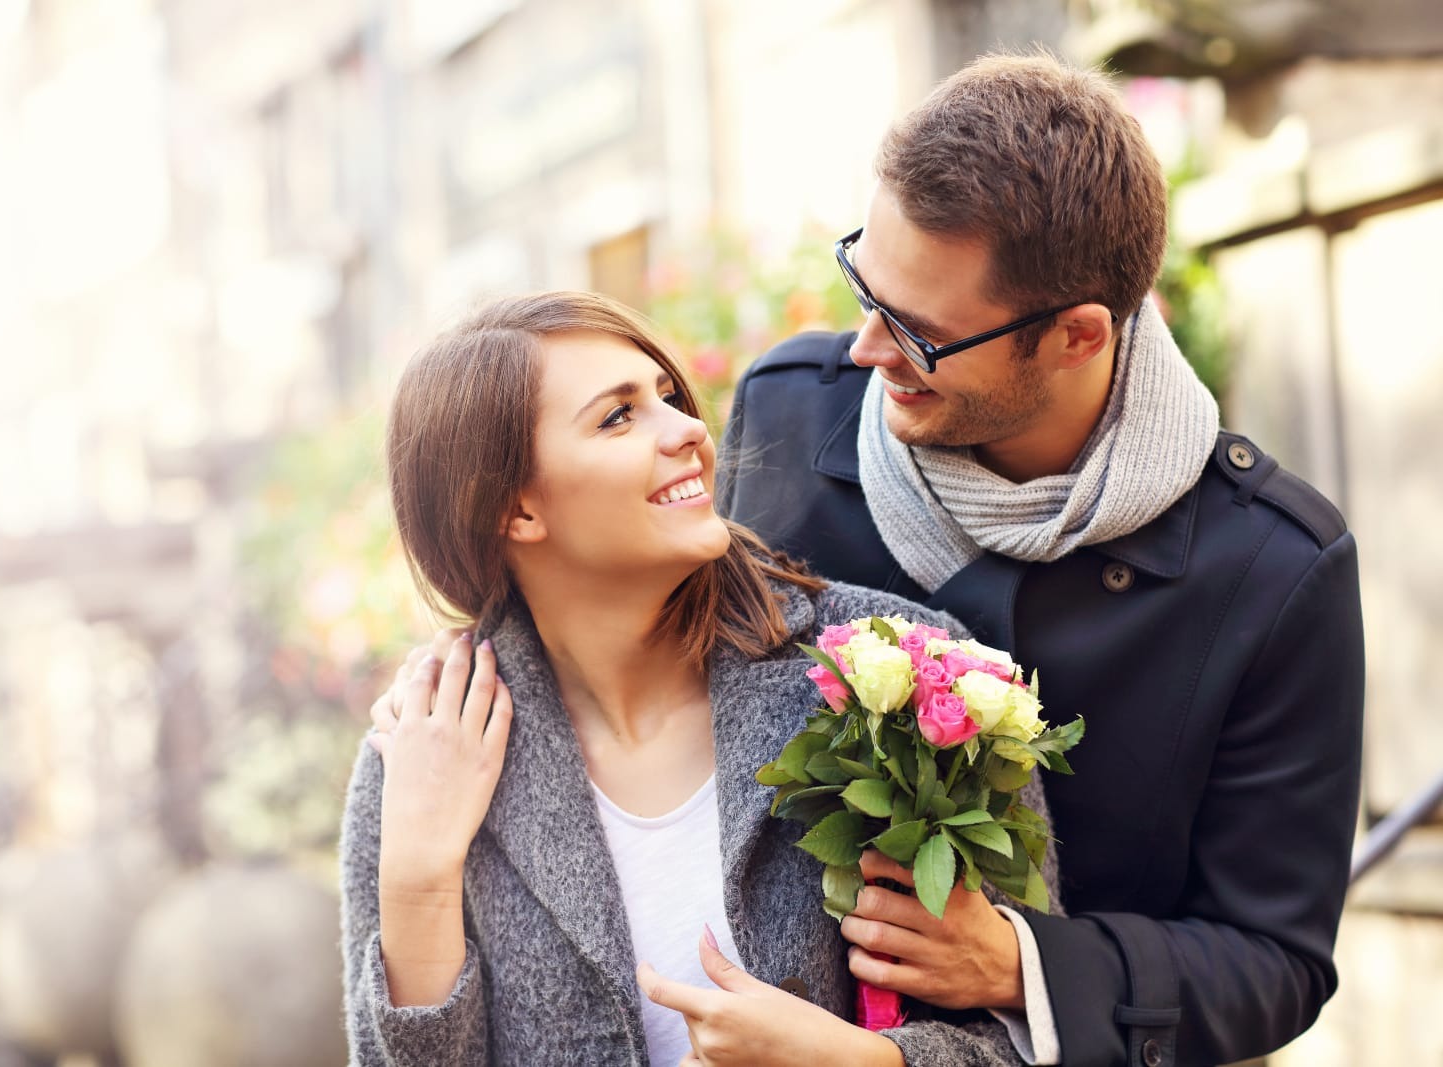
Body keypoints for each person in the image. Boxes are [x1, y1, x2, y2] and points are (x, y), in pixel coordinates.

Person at [717, 52, 1365, 1067]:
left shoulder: (1273, 568)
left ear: (1076, 336)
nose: (863, 350)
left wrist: (1024, 963)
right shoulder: (787, 412)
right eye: (863, 285)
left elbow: (1273, 956)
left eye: (918, 332)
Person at [340, 291, 1064, 1066]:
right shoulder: (419, 761)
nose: (688, 430)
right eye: (618, 417)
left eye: (668, 396)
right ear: (514, 509)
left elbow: (1030, 1036)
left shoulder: (906, 677)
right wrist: (419, 878)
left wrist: (864, 1062)